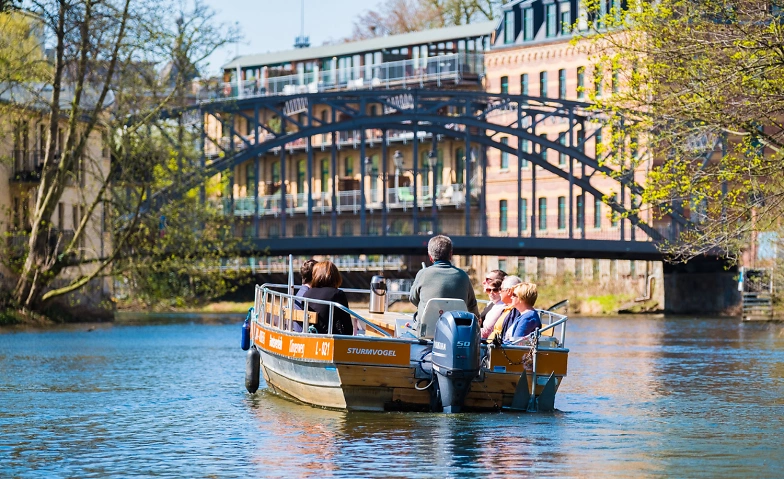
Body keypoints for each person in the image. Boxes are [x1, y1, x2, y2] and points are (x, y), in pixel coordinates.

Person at [410, 235, 480, 319]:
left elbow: (413, 298)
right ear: (450, 254)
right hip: (456, 329)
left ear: (430, 257)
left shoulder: (422, 274)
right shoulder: (463, 275)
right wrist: (478, 319)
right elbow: (472, 304)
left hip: (428, 328)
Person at [302, 261, 353, 335]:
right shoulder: (338, 294)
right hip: (331, 339)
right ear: (335, 276)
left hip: (312, 337)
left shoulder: (307, 294)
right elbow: (347, 326)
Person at [486, 276, 522, 341]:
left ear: (509, 291)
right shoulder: (507, 309)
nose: (499, 292)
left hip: (496, 349)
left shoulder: (515, 311)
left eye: (501, 289)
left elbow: (508, 339)